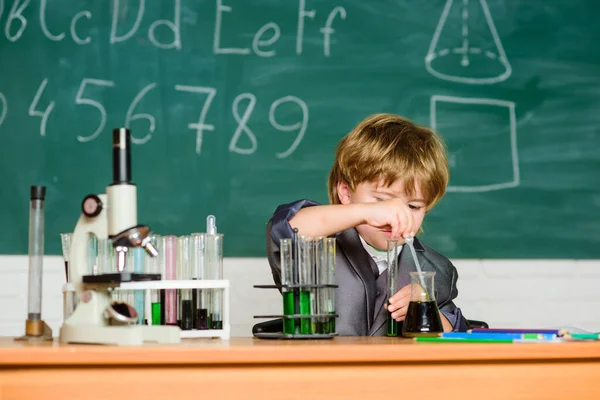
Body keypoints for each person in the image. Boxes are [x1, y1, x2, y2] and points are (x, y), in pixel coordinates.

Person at [265, 113, 468, 336]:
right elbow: (287, 228)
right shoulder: (317, 247)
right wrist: (367, 213)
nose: (395, 214)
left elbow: (457, 334)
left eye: (413, 206)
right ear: (346, 193)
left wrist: (426, 310)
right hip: (325, 369)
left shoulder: (437, 269)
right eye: (381, 200)